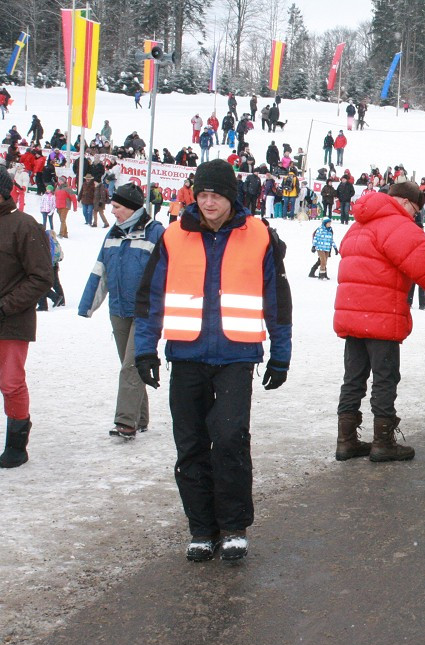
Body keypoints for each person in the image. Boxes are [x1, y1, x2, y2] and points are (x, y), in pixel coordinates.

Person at [134, 159, 293, 561]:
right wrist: (144, 349)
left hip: (238, 355)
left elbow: (278, 301)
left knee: (229, 439)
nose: (208, 202)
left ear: (231, 197)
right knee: (189, 445)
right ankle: (201, 528)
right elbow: (150, 298)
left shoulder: (259, 235)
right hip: (186, 354)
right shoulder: (172, 237)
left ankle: (234, 526)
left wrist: (280, 355)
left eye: (216, 196)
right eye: (202, 194)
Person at [333, 181, 425, 464]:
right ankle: (383, 442)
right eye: (416, 209)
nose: (416, 215)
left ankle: (346, 440)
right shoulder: (399, 225)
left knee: (353, 378)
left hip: (352, 314)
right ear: (405, 202)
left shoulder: (358, 225)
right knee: (384, 378)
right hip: (381, 317)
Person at [78, 183, 164, 438]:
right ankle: (141, 417)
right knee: (133, 366)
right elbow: (100, 271)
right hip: (118, 310)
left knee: (130, 366)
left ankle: (126, 421)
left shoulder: (156, 232)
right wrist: (87, 305)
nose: (112, 211)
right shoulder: (113, 234)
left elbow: (165, 275)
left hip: (145, 313)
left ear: (132, 208)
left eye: (116, 207)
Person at [0, 168, 54, 467]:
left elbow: (41, 277)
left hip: (11, 321)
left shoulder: (24, 225)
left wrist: (5, 306)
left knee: (10, 383)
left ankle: (17, 445)